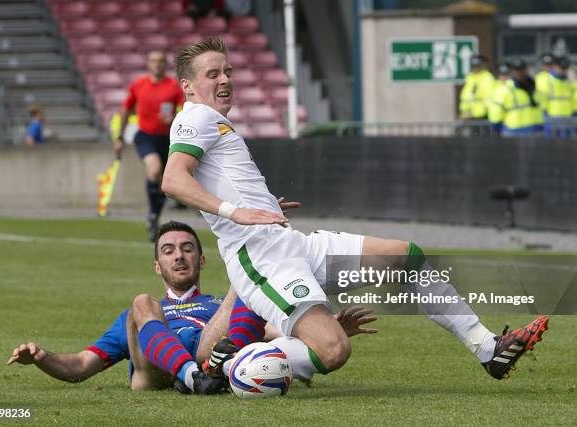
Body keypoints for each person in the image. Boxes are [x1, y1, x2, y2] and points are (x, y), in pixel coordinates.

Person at [162, 37, 549, 384]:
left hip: (290, 245)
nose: (225, 80)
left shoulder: (214, 121)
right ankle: (226, 364)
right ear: (188, 86)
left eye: (227, 71)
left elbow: (217, 181)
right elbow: (174, 180)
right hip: (263, 260)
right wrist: (236, 212)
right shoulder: (196, 117)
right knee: (333, 351)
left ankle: (488, 348)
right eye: (213, 74)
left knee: (405, 256)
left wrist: (260, 205)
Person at [7, 220, 375, 393]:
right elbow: (80, 367)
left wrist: (330, 330)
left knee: (249, 283)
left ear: (202, 261)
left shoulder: (219, 306)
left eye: (187, 249)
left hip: (210, 348)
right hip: (152, 374)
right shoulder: (141, 315)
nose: (179, 256)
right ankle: (195, 377)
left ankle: (210, 372)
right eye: (168, 251)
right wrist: (41, 357)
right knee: (141, 302)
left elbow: (277, 335)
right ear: (158, 266)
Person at [114, 51, 185, 242]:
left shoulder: (173, 86)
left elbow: (187, 109)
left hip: (168, 138)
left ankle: (154, 216)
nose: (158, 64)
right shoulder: (139, 85)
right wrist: (119, 137)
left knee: (164, 182)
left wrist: (175, 117)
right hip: (145, 135)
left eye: (161, 61)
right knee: (154, 171)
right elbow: (126, 109)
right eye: (154, 61)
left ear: (165, 64)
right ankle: (153, 216)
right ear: (148, 64)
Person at [488, 59, 544, 136]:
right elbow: (495, 114)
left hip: (536, 130)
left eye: (521, 69)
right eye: (516, 70)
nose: (519, 73)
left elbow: (541, 105)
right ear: (512, 72)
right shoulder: (504, 89)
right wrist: (500, 129)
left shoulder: (534, 86)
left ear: (526, 70)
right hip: (513, 132)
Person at [537, 56, 573, 138]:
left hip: (567, 116)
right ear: (556, 67)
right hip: (552, 116)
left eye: (565, 69)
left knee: (568, 144)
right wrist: (544, 113)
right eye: (561, 68)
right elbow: (543, 98)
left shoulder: (568, 80)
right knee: (552, 144)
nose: (563, 71)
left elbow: (572, 98)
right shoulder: (547, 79)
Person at [459, 55, 495, 121]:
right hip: (469, 115)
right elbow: (465, 97)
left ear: (482, 65)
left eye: (477, 66)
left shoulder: (487, 77)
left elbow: (489, 97)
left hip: (482, 115)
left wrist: (479, 112)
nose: (475, 68)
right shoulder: (470, 77)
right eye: (473, 66)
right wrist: (464, 110)